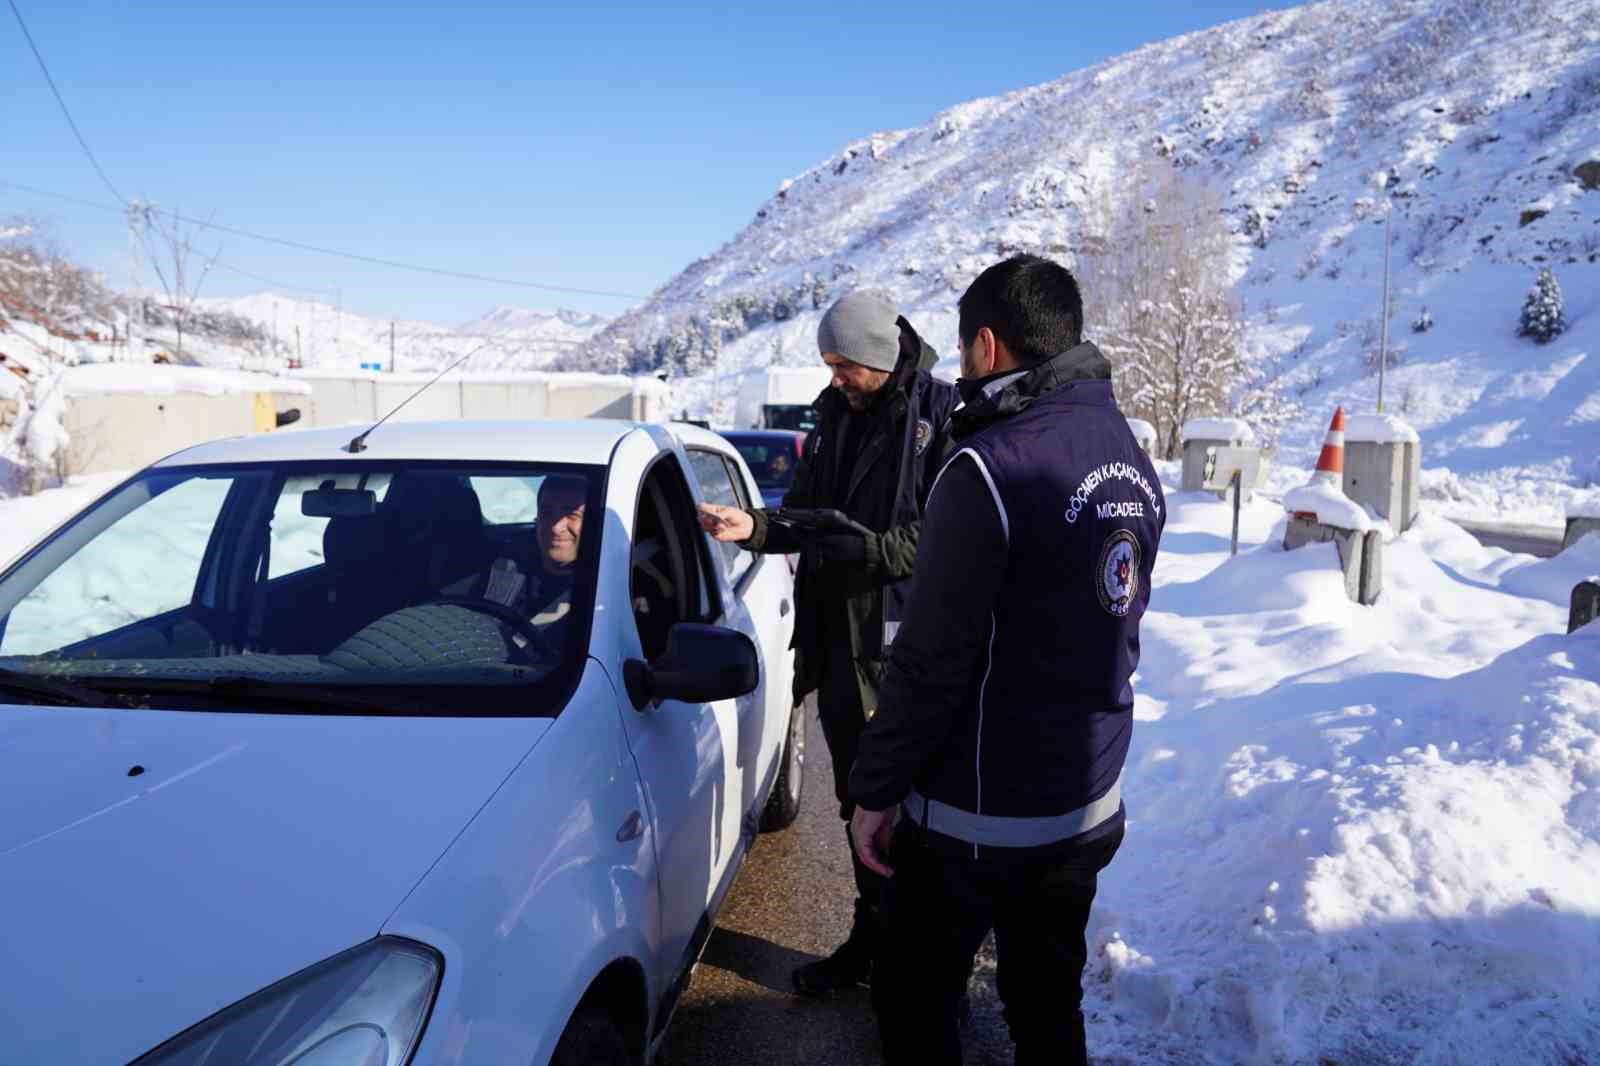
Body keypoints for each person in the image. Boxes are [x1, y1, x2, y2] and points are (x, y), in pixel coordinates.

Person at [846, 255, 1166, 1066]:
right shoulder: (1131, 456)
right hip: (1085, 805)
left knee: (915, 997)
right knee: (1047, 999)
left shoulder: (988, 468)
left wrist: (875, 791)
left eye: (962, 353)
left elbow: (927, 659)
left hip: (979, 817)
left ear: (986, 346)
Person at [699, 289, 958, 996]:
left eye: (845, 364)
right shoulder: (834, 417)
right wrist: (752, 527)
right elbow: (810, 518)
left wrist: (866, 551)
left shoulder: (942, 416)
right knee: (857, 803)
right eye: (828, 363)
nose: (835, 377)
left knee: (914, 811)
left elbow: (947, 538)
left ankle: (924, 967)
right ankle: (869, 940)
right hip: (838, 648)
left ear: (879, 355)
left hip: (903, 649)